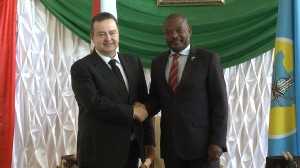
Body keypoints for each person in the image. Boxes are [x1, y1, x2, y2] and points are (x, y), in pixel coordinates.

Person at [135, 13, 228, 168]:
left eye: (179, 30)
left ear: (189, 31)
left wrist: (217, 141)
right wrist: (143, 108)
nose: (174, 35)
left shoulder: (208, 59)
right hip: (171, 148)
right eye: (168, 32)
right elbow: (156, 100)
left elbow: (220, 104)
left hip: (203, 148)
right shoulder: (158, 62)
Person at [71, 12, 155, 168]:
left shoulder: (133, 61)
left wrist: (149, 139)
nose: (108, 38)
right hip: (99, 151)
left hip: (132, 148)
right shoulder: (81, 68)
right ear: (92, 37)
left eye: (112, 32)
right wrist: (131, 112)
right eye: (102, 34)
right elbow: (94, 104)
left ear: (118, 34)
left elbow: (143, 102)